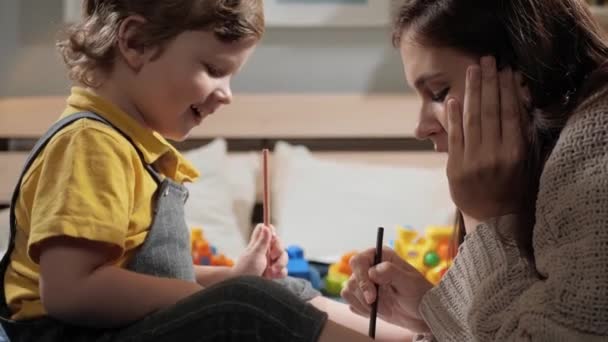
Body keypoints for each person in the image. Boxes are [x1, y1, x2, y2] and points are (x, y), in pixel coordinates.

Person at [0, 1, 411, 341]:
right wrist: (215, 292)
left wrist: (229, 276)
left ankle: (420, 339)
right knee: (245, 306)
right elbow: (71, 291)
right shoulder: (89, 143)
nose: (227, 94)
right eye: (214, 70)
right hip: (70, 335)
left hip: (117, 329)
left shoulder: (127, 146)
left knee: (271, 290)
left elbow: (135, 277)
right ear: (135, 42)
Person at [342, 0, 608, 341]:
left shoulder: (594, 154)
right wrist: (431, 310)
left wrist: (487, 217)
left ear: (520, 75)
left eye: (438, 92)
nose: (421, 127)